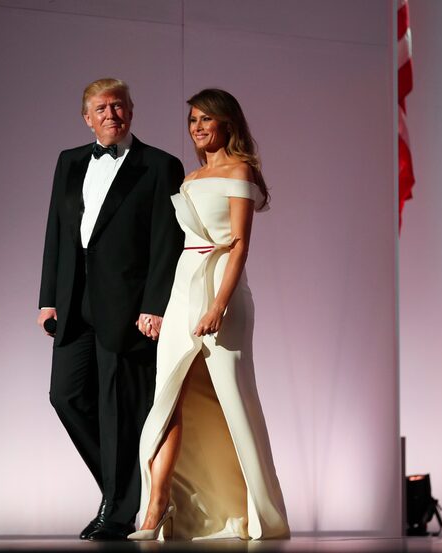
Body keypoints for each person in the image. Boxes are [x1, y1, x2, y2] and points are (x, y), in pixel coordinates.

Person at [129, 89, 290, 541]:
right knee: (168, 397)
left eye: (207, 119)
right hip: (184, 285)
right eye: (193, 120)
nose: (198, 127)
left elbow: (239, 243)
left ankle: (260, 511)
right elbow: (177, 247)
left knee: (233, 401)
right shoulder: (191, 177)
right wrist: (161, 306)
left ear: (226, 123)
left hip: (224, 288)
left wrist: (218, 305)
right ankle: (156, 507)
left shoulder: (240, 172)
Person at [38, 78, 184, 540]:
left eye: (118, 106)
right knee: (66, 395)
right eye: (101, 108)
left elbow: (168, 242)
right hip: (73, 300)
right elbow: (57, 232)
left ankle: (118, 511)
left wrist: (155, 305)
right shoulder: (69, 161)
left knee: (118, 409)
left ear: (132, 111)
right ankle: (131, 490)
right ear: (87, 117)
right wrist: (47, 296)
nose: (110, 114)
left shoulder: (160, 166)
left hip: (127, 307)